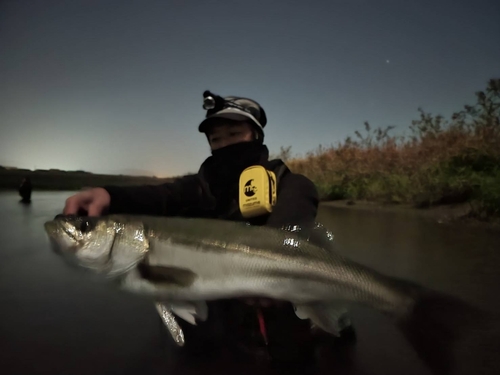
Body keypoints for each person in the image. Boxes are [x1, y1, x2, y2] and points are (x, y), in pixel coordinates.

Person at [62, 91, 348, 365]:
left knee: (292, 353)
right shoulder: (201, 186)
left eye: (234, 135)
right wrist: (110, 195)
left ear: (256, 136)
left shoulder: (291, 184)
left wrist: (265, 276)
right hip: (212, 302)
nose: (224, 145)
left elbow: (289, 229)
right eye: (216, 139)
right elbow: (162, 195)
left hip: (278, 293)